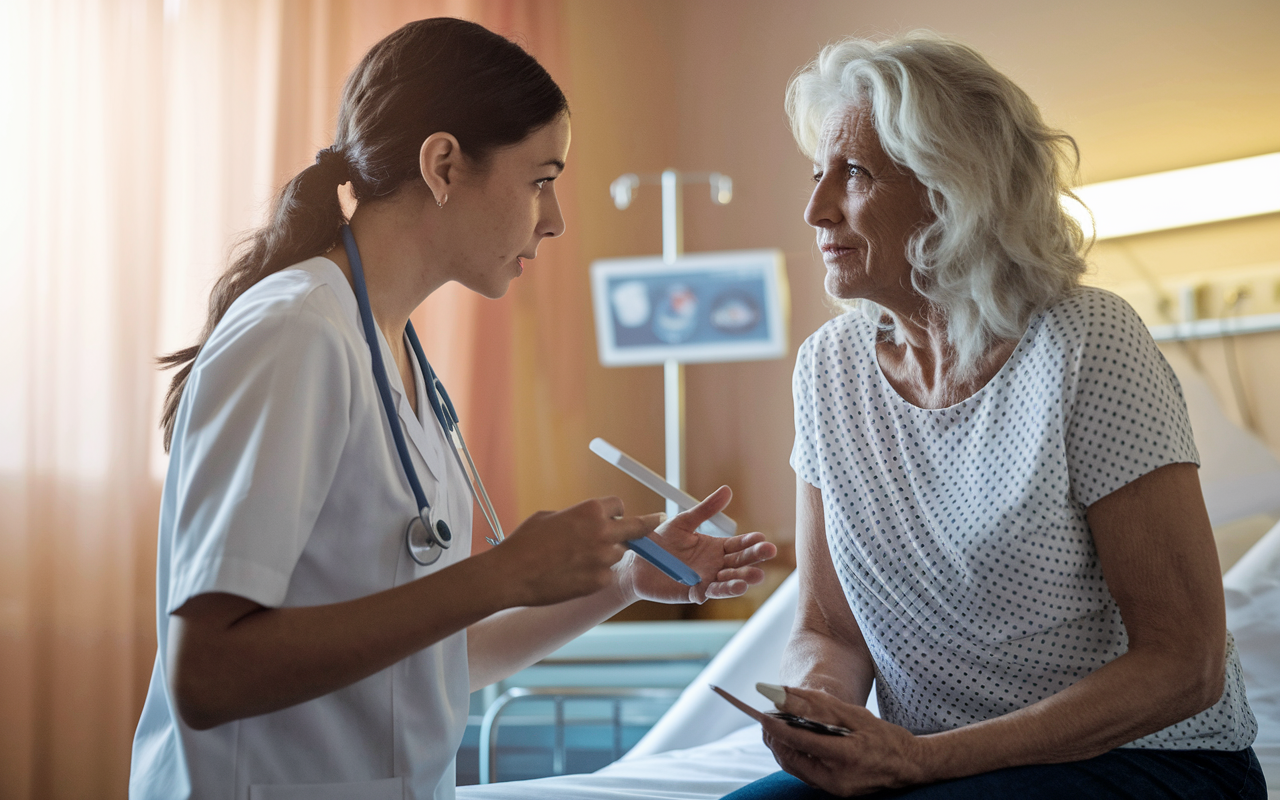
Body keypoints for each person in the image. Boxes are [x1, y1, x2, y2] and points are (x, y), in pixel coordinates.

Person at [128, 18, 776, 800]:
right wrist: (500, 574)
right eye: (541, 178)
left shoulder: (395, 355)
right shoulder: (297, 334)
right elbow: (209, 675)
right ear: (443, 164)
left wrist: (627, 583)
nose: (555, 218)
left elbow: (435, 662)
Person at [724, 32, 1266, 799]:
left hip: (1146, 762)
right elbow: (828, 628)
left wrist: (924, 761)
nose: (815, 208)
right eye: (818, 173)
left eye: (853, 174)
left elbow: (1186, 664)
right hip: (927, 768)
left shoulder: (1087, 345)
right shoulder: (827, 370)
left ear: (953, 190)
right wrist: (825, 720)